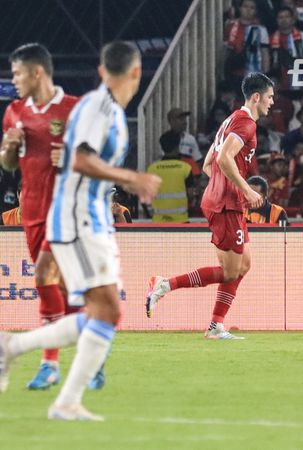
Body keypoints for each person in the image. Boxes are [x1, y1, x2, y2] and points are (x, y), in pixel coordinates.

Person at [0, 41, 161, 420]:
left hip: (89, 218)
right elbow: (82, 160)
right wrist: (132, 178)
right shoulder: (97, 108)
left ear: (103, 71)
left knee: (100, 312)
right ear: (137, 73)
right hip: (76, 218)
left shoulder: (98, 110)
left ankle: (41, 374)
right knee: (102, 309)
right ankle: (49, 379)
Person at [145, 72, 274, 340]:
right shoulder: (246, 124)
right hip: (226, 202)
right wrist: (245, 189)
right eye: (270, 97)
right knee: (229, 271)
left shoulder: (229, 121)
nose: (272, 103)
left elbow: (208, 164)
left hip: (223, 199)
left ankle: (216, 325)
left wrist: (221, 186)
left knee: (244, 264)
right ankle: (165, 285)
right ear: (257, 97)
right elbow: (225, 159)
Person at [0, 43, 94, 391]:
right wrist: (8, 150)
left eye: (17, 73)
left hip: (67, 211)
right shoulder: (14, 111)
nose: (14, 80)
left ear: (37, 72)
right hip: (33, 211)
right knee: (65, 291)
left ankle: (49, 364)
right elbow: (8, 164)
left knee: (43, 278)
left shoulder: (75, 109)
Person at [148, 130, 194, 223]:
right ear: (177, 147)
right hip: (181, 221)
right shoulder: (185, 168)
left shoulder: (152, 169)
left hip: (158, 222)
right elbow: (190, 195)